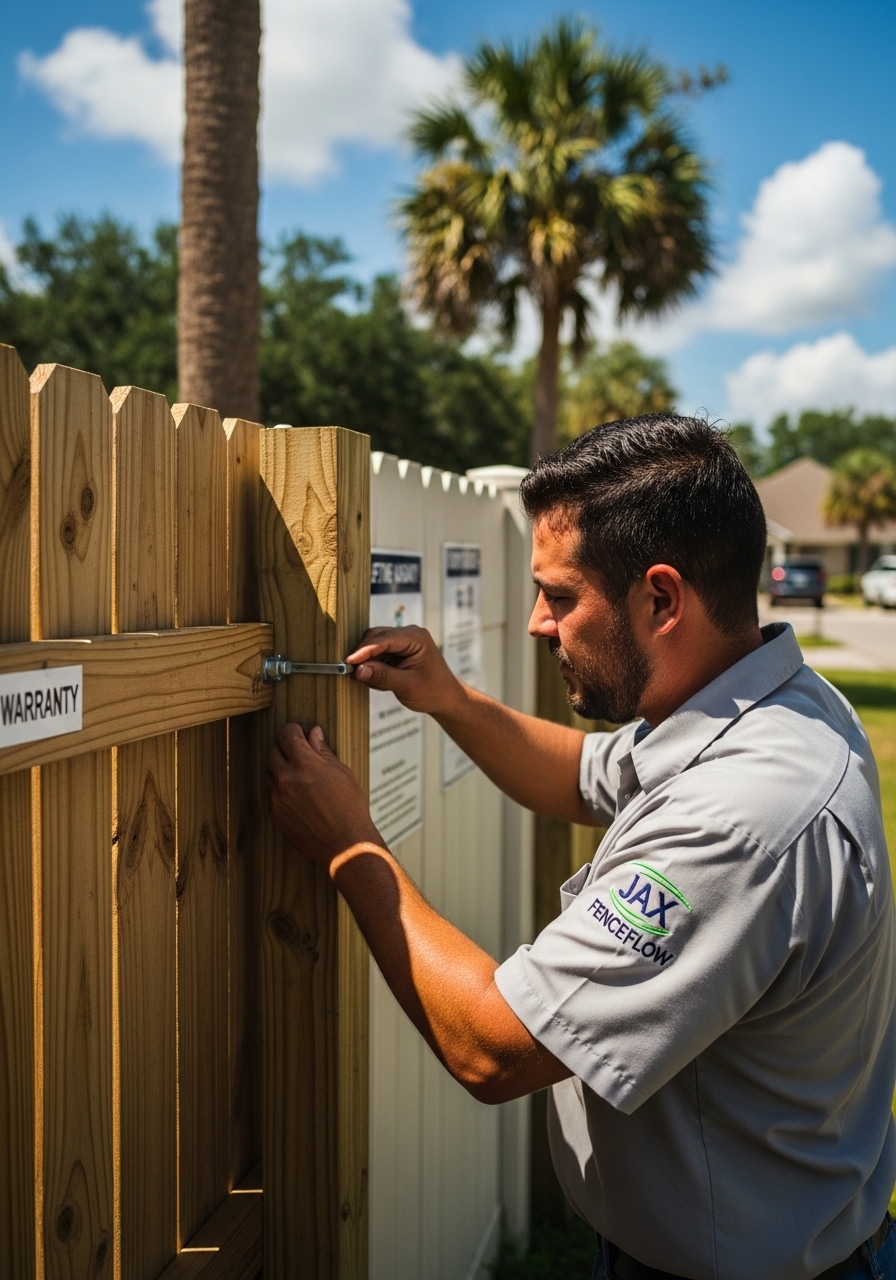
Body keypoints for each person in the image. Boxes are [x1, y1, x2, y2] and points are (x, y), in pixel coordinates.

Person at [266, 415, 896, 1280]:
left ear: (662, 599)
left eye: (560, 597)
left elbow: (493, 1047)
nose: (536, 623)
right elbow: (581, 776)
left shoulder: (742, 818)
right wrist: (448, 699)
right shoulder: (763, 700)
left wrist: (349, 845)